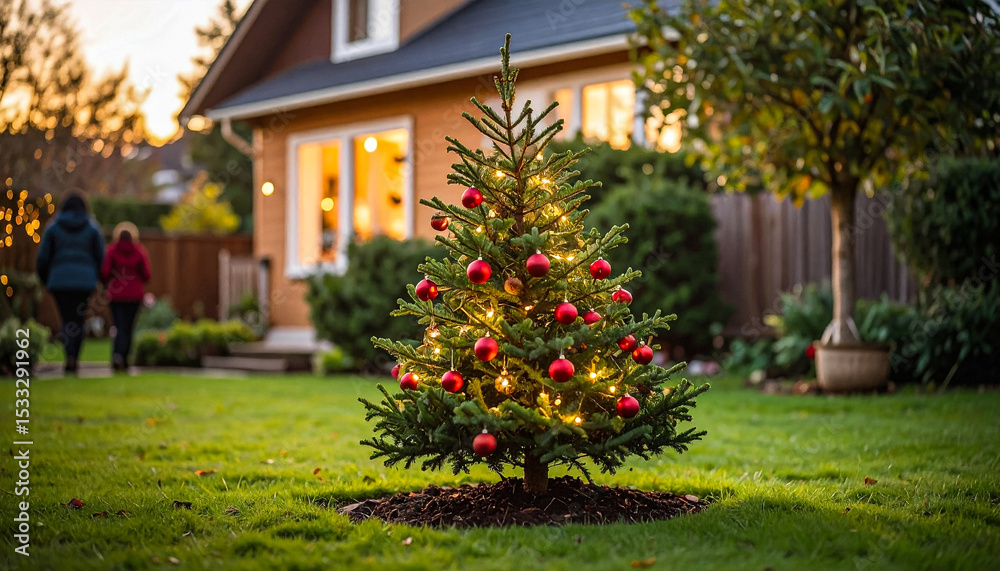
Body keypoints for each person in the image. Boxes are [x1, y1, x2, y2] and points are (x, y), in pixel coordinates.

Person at [35, 193, 105, 373]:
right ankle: (74, 357)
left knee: (66, 319)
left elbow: (43, 258)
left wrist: (46, 278)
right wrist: (96, 277)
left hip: (59, 281)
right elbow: (100, 256)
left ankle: (69, 356)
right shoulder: (92, 227)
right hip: (84, 282)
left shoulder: (53, 227)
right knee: (79, 320)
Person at [101, 222, 151, 371]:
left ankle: (117, 355)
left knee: (119, 326)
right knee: (129, 328)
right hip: (134, 295)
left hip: (116, 295)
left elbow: (105, 272)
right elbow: (146, 275)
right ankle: (125, 358)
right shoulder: (139, 251)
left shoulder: (111, 251)